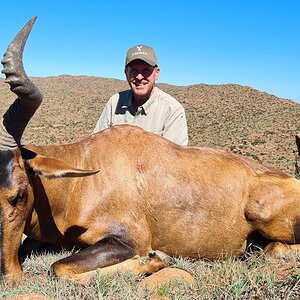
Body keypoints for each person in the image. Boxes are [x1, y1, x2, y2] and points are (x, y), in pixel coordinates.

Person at [93, 45, 188, 146]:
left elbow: (172, 159)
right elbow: (95, 145)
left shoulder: (172, 110)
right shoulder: (115, 102)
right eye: (133, 70)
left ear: (156, 73)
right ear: (126, 73)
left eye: (146, 70)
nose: (139, 77)